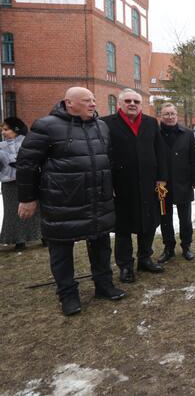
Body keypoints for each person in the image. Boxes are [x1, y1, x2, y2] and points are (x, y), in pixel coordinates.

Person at [16, 87, 124, 316]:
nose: (93, 104)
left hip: (97, 198)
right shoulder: (46, 126)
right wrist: (27, 198)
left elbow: (108, 159)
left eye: (94, 100)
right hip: (62, 200)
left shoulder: (101, 126)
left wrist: (111, 185)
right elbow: (26, 164)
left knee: (101, 244)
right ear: (69, 103)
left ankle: (104, 285)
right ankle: (68, 295)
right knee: (61, 251)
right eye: (87, 101)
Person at [103, 89, 168, 282]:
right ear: (120, 103)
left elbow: (160, 151)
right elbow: (104, 154)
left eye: (136, 101)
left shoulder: (150, 122)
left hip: (148, 182)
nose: (132, 104)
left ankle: (145, 258)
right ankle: (125, 265)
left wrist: (162, 178)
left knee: (147, 223)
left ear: (141, 104)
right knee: (123, 227)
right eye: (128, 101)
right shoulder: (107, 124)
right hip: (121, 184)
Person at [157, 103, 195, 263]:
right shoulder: (154, 133)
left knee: (185, 219)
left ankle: (186, 246)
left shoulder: (187, 134)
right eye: (166, 114)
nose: (170, 116)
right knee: (165, 218)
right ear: (161, 116)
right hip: (162, 185)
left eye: (172, 113)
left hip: (183, 183)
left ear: (177, 115)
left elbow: (194, 159)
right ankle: (169, 248)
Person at [0, 117, 41, 250]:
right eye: (2, 130)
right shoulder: (1, 146)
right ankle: (18, 240)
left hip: (29, 181)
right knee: (13, 212)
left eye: (6, 129)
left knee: (36, 210)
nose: (3, 132)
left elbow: (33, 159)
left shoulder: (27, 142)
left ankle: (42, 235)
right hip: (9, 184)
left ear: (16, 130)